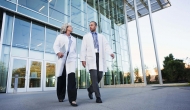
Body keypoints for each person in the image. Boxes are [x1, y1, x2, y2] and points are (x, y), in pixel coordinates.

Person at [80, 21, 114, 103]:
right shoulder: (86, 37)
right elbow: (83, 48)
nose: (90, 26)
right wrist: (83, 59)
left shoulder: (101, 36)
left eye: (91, 25)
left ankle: (90, 89)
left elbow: (106, 45)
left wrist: (110, 52)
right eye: (89, 25)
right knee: (94, 78)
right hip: (91, 58)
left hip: (99, 57)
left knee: (99, 76)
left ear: (96, 26)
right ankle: (98, 97)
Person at [53, 23, 78, 107]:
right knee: (61, 77)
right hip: (62, 58)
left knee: (71, 79)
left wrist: (75, 57)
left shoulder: (74, 39)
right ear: (66, 28)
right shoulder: (60, 36)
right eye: (70, 26)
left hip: (71, 59)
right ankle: (61, 96)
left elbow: (74, 50)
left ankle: (73, 99)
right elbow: (55, 46)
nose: (72, 27)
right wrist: (58, 52)